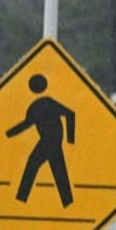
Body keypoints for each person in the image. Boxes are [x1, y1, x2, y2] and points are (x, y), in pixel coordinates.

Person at [6, 74, 75, 206]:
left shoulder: (41, 104)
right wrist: (7, 134)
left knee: (35, 165)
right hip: (51, 140)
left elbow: (70, 114)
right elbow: (26, 124)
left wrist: (71, 140)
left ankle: (21, 199)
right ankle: (68, 202)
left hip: (50, 141)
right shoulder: (40, 105)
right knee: (57, 170)